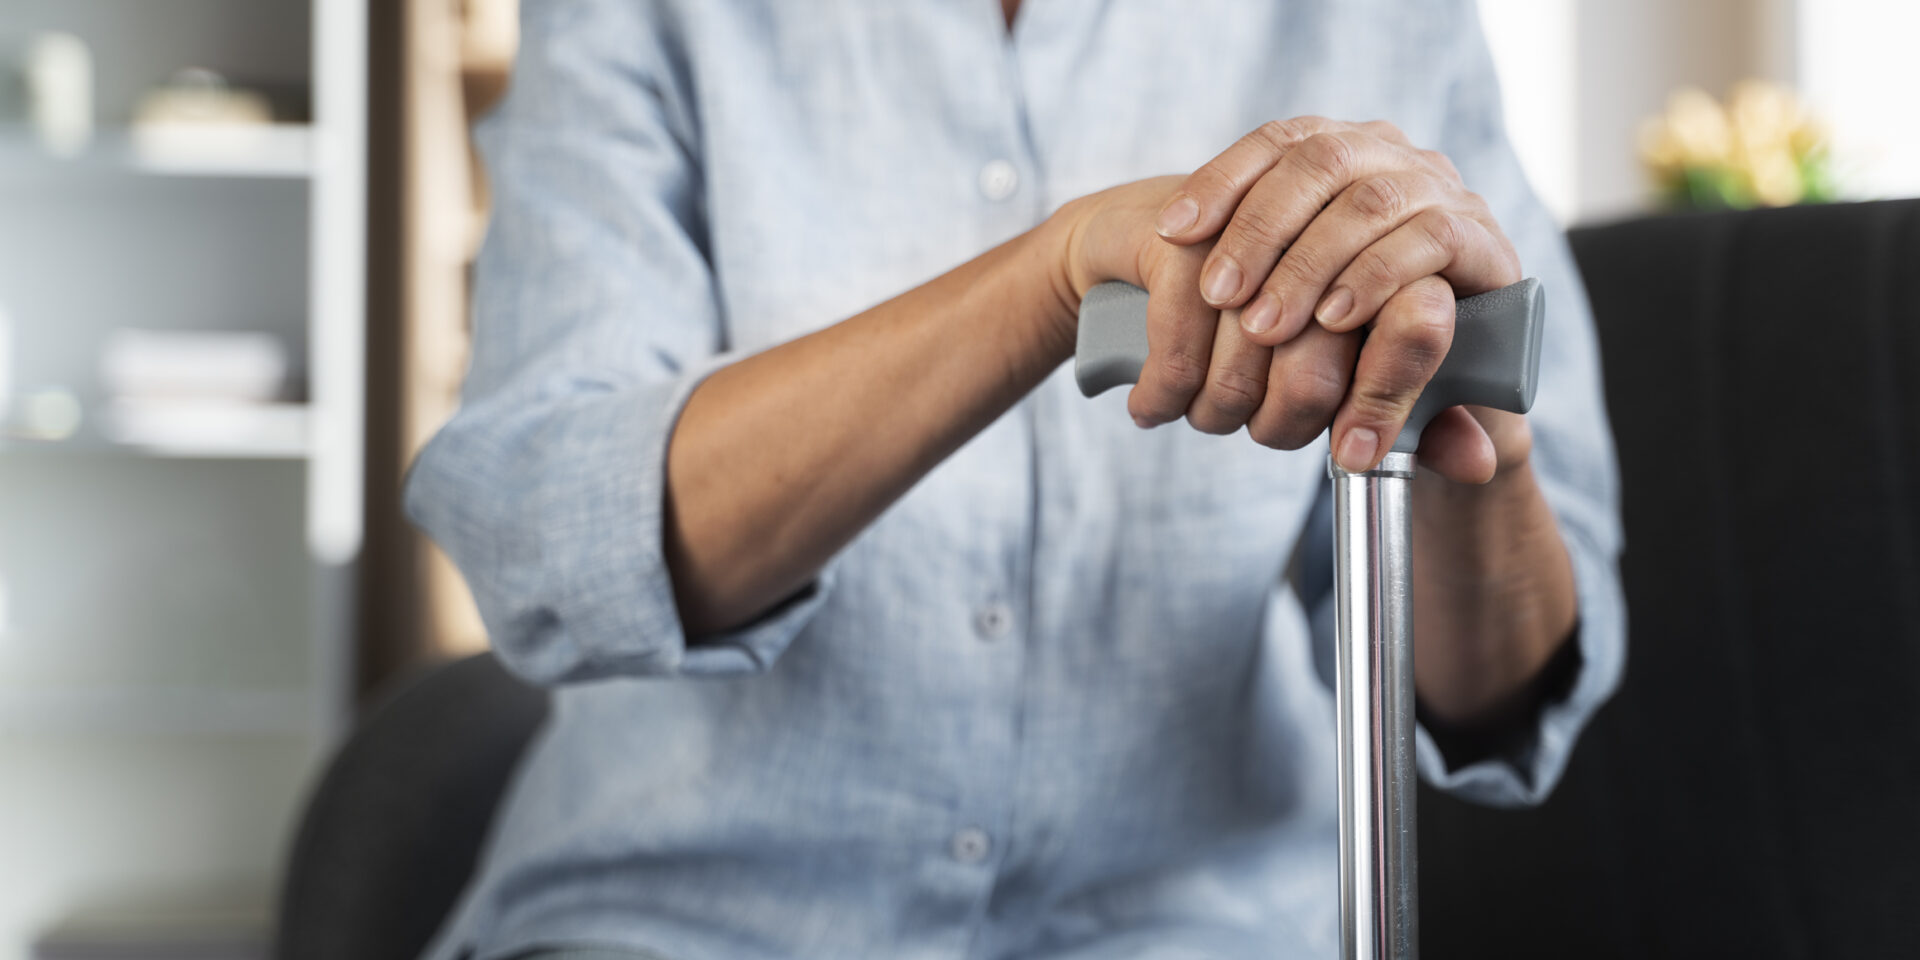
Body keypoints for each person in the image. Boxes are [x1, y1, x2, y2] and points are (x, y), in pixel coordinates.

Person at [407, 1, 1624, 957]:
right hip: (698, 924)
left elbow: (1508, 694)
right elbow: (551, 542)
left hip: (1195, 933)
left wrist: (1461, 429)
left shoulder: (1390, 20)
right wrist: (1048, 283)